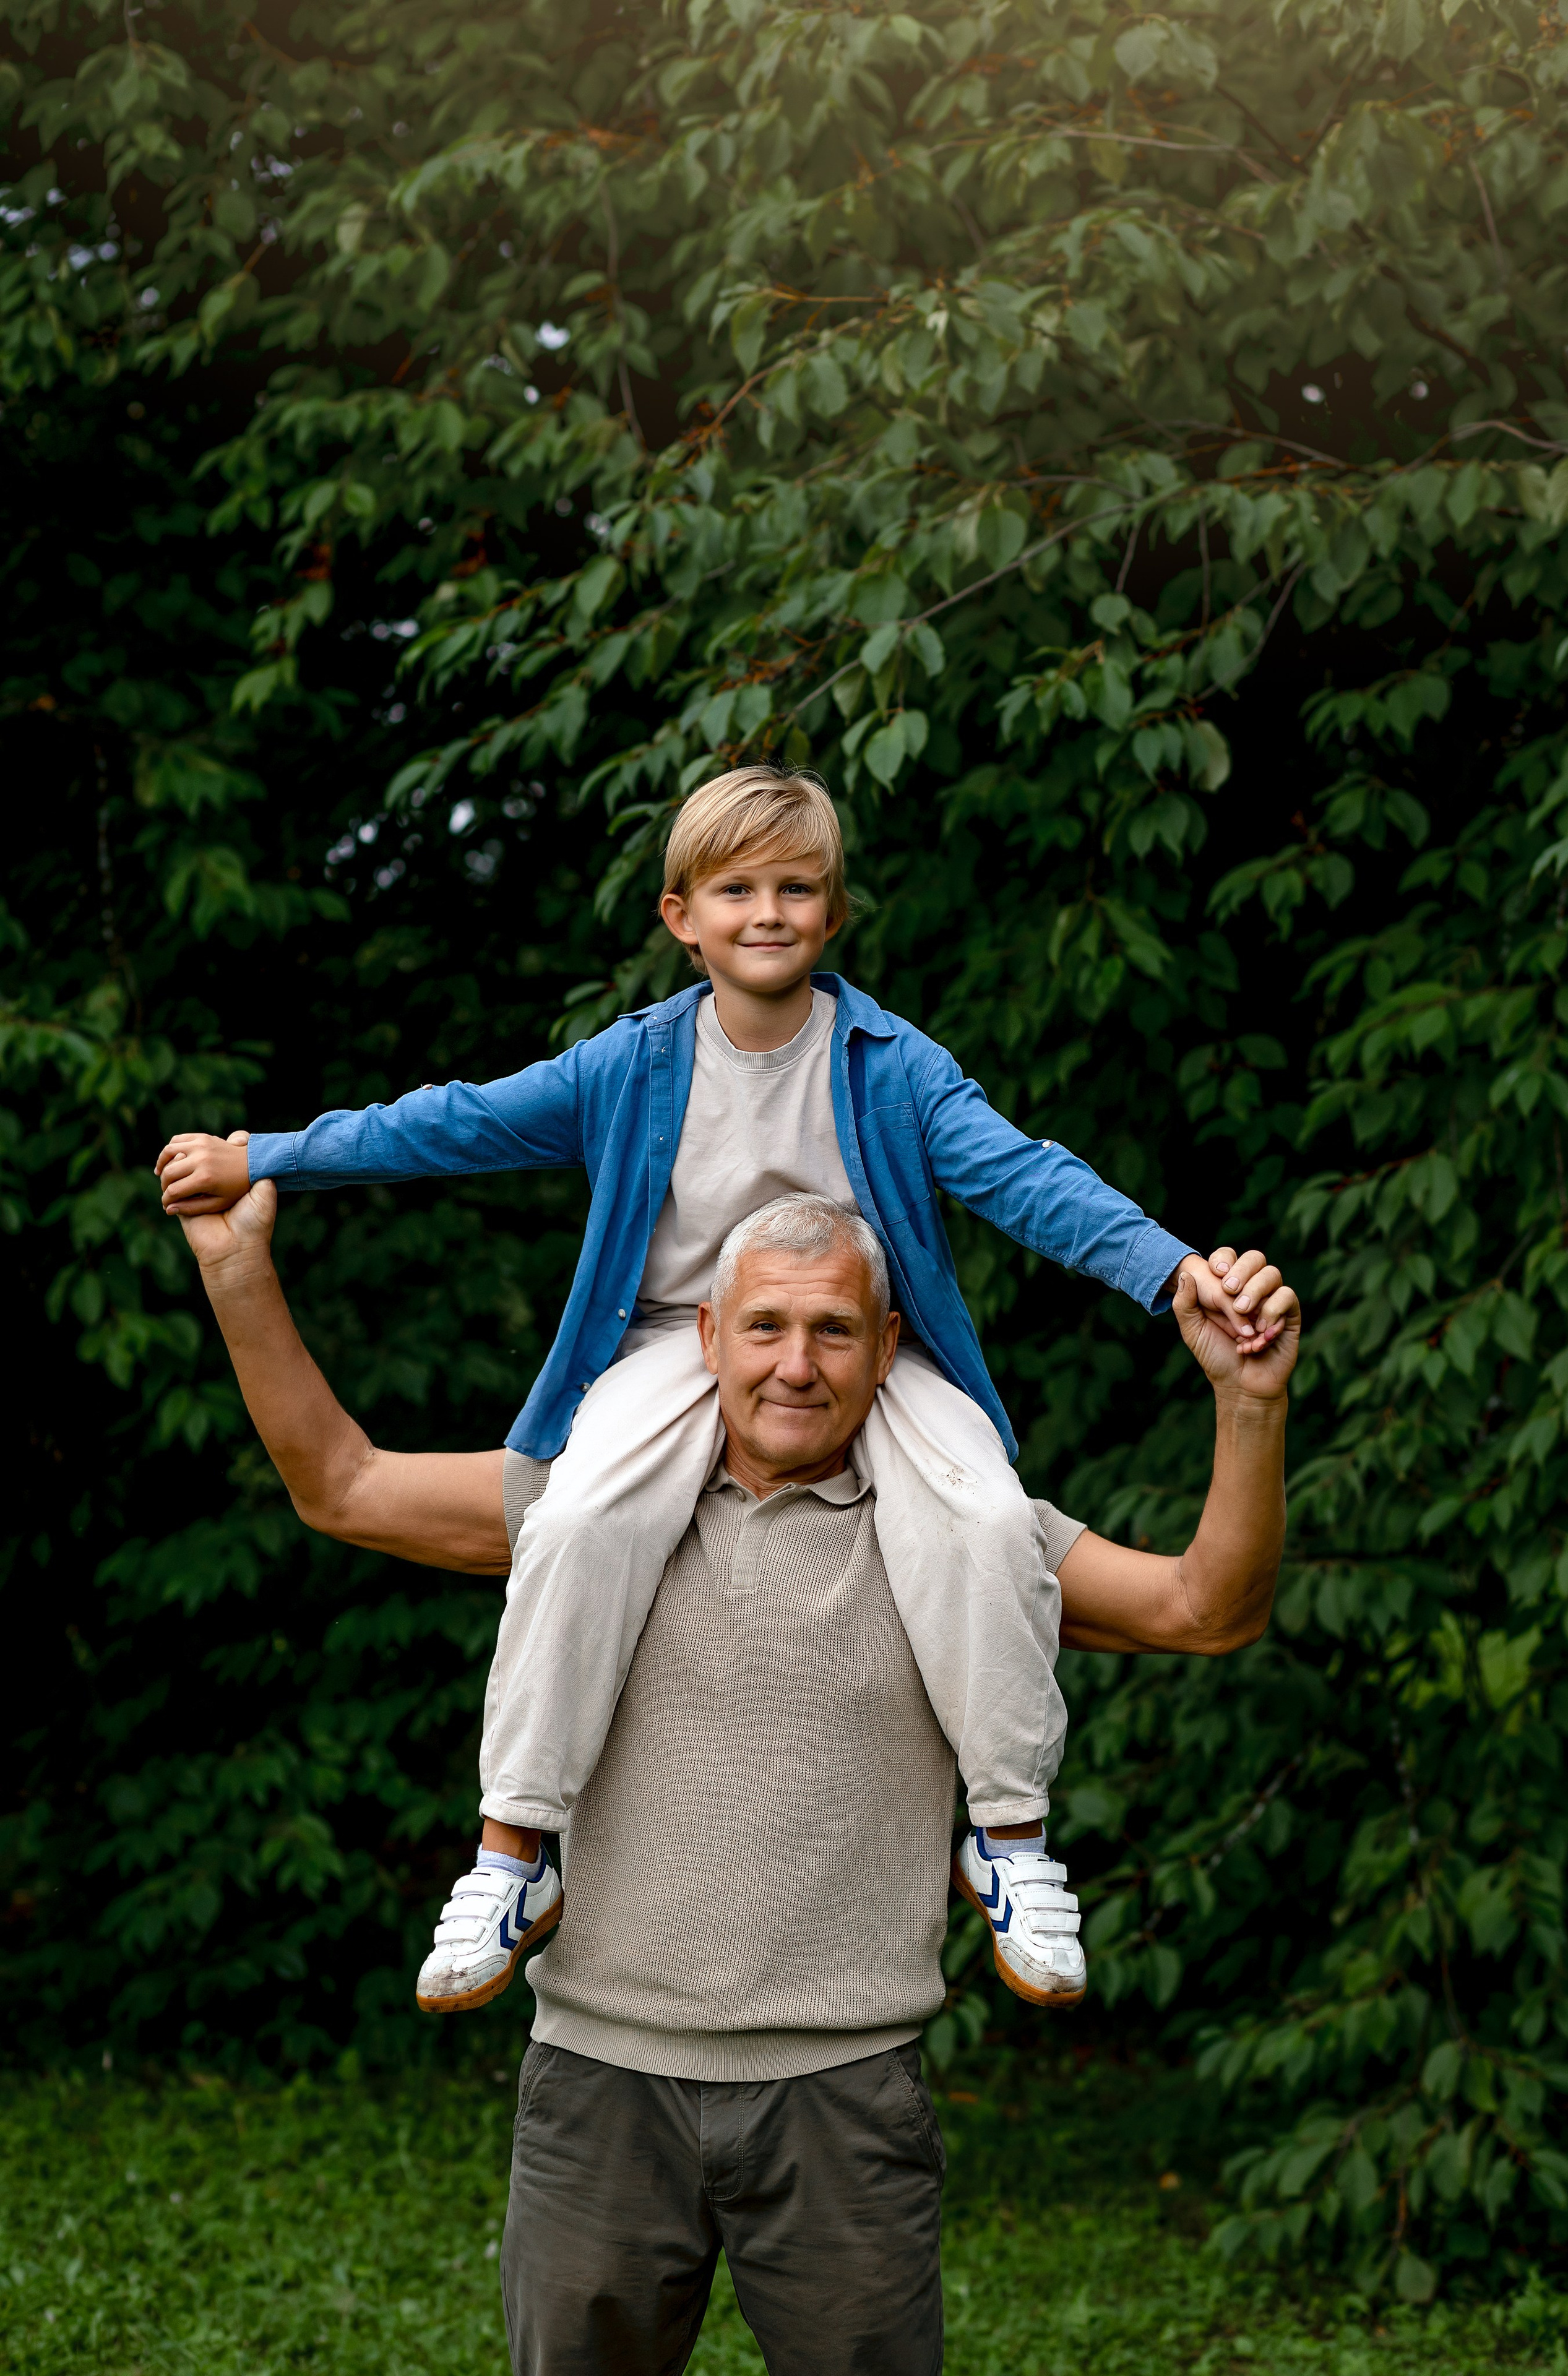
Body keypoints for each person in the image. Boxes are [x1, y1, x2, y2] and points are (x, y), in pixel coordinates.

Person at [153, 764, 1287, 2014]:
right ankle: (515, 1849)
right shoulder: (631, 1068)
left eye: (797, 888)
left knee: (982, 1521)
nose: (766, 912)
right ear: (678, 917)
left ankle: (1008, 1837)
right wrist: (269, 1155)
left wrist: (1170, 1272)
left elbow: (1028, 1179)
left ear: (835, 917)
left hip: (867, 1357)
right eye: (734, 888)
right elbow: (449, 1123)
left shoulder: (891, 1068)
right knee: (577, 1518)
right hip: (668, 1352)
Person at [177, 1175, 1298, 2376]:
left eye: (831, 1330)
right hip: (599, 2086)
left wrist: (1244, 1403)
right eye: (763, 1326)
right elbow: (339, 1484)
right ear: (705, 1338)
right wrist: (236, 1267)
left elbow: (1202, 1611)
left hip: (845, 2099)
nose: (795, 1365)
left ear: (888, 1350)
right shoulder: (589, 1513)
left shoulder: (966, 1536)